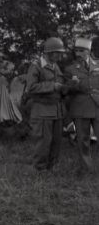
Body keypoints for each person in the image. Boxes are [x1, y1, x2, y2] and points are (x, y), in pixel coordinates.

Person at [26, 37, 68, 171]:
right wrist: (52, 86)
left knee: (56, 142)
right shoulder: (36, 66)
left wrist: (66, 88)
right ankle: (39, 170)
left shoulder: (56, 66)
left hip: (57, 111)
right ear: (49, 52)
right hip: (42, 111)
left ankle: (52, 168)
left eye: (61, 53)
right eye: (58, 53)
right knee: (43, 142)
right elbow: (31, 88)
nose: (60, 56)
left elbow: (59, 86)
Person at [64, 37, 99, 173]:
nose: (78, 53)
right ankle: (87, 169)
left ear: (88, 51)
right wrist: (74, 85)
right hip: (80, 107)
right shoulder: (70, 69)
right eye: (76, 51)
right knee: (83, 140)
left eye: (81, 51)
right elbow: (65, 90)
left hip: (97, 106)